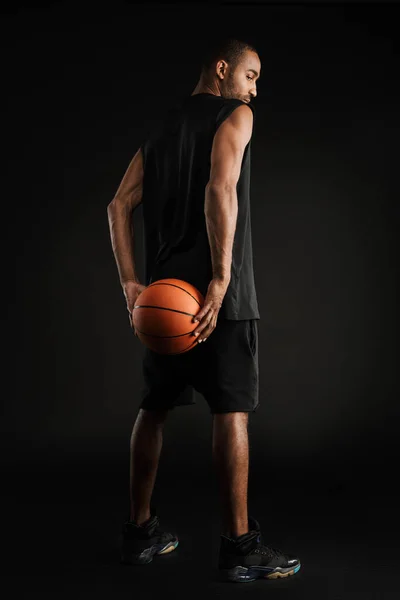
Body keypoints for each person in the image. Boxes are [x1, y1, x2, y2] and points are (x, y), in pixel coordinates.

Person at [107, 37, 300, 583]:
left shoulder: (162, 126)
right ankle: (239, 546)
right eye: (251, 76)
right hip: (220, 300)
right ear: (223, 69)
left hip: (163, 301)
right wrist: (219, 277)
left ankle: (138, 533)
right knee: (231, 411)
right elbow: (221, 189)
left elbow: (117, 205)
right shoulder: (234, 114)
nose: (254, 90)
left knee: (154, 408)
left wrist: (130, 284)